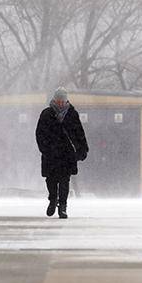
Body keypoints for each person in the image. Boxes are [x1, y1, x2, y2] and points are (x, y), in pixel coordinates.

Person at [35, 88, 88, 219]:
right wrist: (45, 149)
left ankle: (63, 206)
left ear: (66, 101)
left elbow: (79, 133)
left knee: (65, 181)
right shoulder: (46, 114)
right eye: (58, 100)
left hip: (67, 154)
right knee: (51, 180)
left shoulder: (72, 114)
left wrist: (82, 149)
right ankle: (53, 200)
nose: (60, 103)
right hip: (50, 154)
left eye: (62, 100)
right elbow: (39, 133)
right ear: (54, 100)